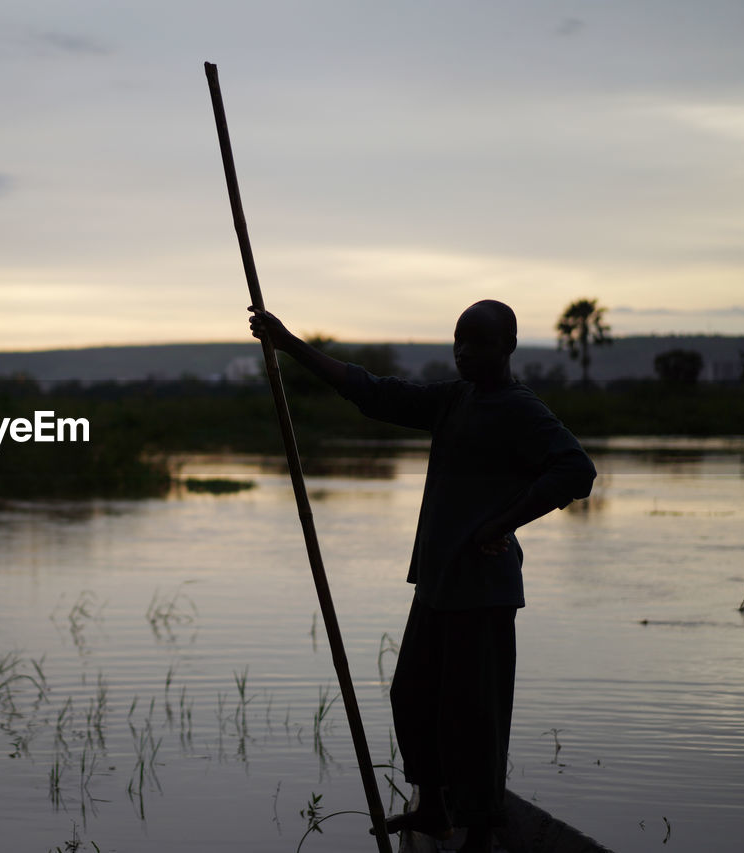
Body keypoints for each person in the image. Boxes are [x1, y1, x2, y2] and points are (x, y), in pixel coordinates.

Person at [249, 300, 595, 853]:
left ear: (505, 347)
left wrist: (501, 523)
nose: (463, 351)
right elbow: (375, 392)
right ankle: (433, 808)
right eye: (458, 340)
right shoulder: (455, 399)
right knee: (411, 694)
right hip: (437, 583)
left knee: (475, 714)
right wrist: (288, 344)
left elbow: (577, 470)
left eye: (476, 342)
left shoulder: (520, 410)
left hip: (482, 591)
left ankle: (480, 833)